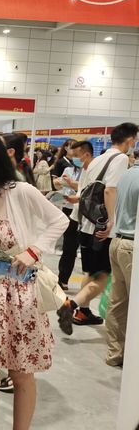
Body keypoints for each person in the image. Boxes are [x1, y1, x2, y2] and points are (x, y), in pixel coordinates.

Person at [0, 130, 68, 430]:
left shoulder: (20, 191)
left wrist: (33, 251)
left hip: (19, 293)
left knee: (21, 371)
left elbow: (59, 220)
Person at [57, 123, 138, 334]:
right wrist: (111, 220)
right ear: (130, 139)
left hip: (86, 225)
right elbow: (110, 190)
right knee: (102, 277)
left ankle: (83, 312)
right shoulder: (120, 159)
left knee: (91, 272)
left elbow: (84, 190)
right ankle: (71, 305)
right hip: (101, 228)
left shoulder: (98, 159)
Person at [106, 155, 139, 368]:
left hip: (118, 241)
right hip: (133, 246)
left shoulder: (127, 174)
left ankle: (114, 353)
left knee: (118, 302)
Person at [53, 142, 90, 290]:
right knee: (69, 246)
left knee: (87, 248)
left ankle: (88, 284)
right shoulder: (68, 169)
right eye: (73, 155)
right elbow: (59, 185)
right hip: (69, 210)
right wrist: (59, 183)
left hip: (87, 213)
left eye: (76, 155)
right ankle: (62, 279)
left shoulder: (91, 171)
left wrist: (72, 184)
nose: (74, 158)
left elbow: (85, 188)